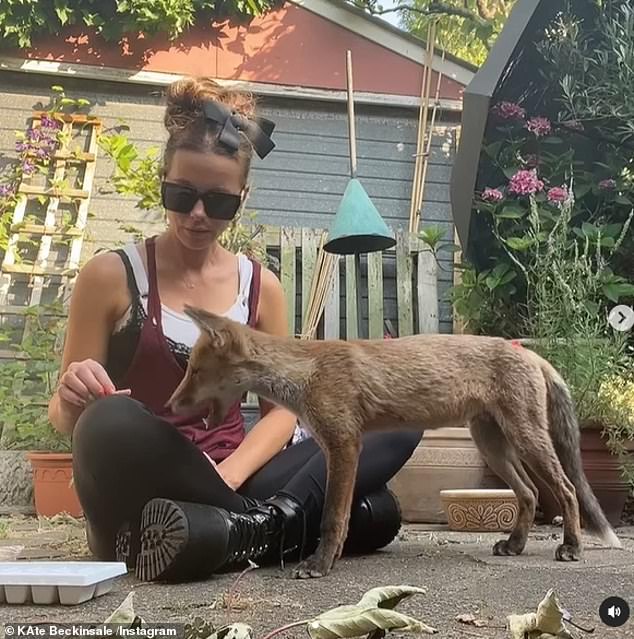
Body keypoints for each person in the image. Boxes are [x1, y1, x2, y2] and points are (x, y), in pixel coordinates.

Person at [47, 76, 422, 582]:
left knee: (399, 411)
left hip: (236, 476)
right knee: (107, 420)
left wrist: (231, 473)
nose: (198, 216)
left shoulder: (262, 287)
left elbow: (282, 416)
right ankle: (272, 527)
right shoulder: (111, 277)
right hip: (144, 479)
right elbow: (67, 419)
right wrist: (73, 397)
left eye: (219, 203)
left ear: (243, 196)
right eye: (181, 196)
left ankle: (231, 530)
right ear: (163, 180)